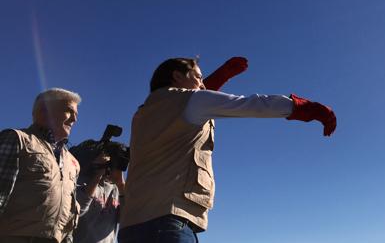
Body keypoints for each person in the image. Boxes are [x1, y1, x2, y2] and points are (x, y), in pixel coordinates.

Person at [118, 57, 336, 243]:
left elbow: (190, 105)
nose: (202, 83)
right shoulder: (192, 101)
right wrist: (307, 108)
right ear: (177, 76)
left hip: (130, 227)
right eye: (198, 77)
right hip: (168, 222)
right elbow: (252, 104)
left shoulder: (143, 113)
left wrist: (217, 79)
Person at [0, 88, 82, 243]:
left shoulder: (73, 163)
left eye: (76, 115)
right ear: (45, 110)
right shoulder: (18, 139)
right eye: (69, 111)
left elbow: (70, 216)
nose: (74, 120)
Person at [70, 142, 126, 243]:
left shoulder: (118, 189)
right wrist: (99, 173)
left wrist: (121, 184)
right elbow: (78, 209)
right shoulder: (82, 180)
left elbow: (127, 218)